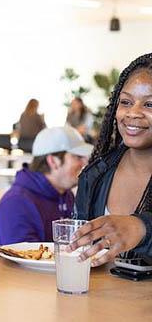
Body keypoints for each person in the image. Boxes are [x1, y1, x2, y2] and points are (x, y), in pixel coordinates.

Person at [69, 53, 152, 266]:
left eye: (149, 105)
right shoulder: (95, 175)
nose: (133, 113)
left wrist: (142, 228)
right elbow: (77, 253)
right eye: (126, 102)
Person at [0, 126, 92, 245]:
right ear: (53, 161)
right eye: (78, 157)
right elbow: (21, 260)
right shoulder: (16, 203)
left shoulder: (67, 195)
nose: (85, 163)